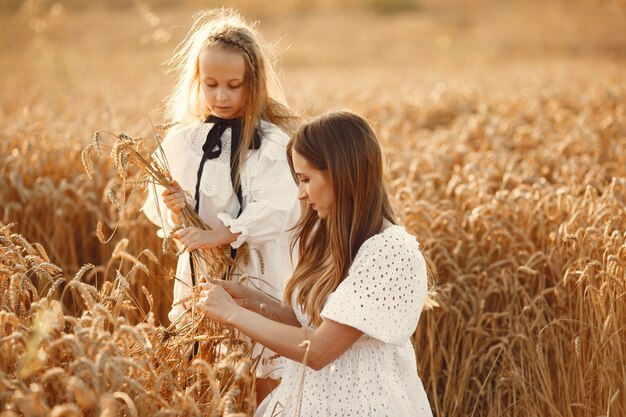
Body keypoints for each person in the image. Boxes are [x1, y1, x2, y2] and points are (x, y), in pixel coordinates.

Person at [197, 110, 435, 416]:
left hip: (365, 406)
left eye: (306, 179)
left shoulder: (390, 251)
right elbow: (308, 322)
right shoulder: (325, 235)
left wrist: (232, 315)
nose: (300, 194)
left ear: (342, 173)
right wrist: (248, 300)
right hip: (310, 399)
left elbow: (319, 349)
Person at [141, 8, 300, 400]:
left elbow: (280, 207)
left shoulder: (272, 142)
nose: (221, 96)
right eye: (210, 84)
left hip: (260, 270)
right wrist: (177, 205)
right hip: (204, 274)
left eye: (234, 85)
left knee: (266, 370)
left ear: (255, 84)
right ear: (197, 80)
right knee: (204, 364)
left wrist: (219, 233)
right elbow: (157, 209)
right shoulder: (183, 141)